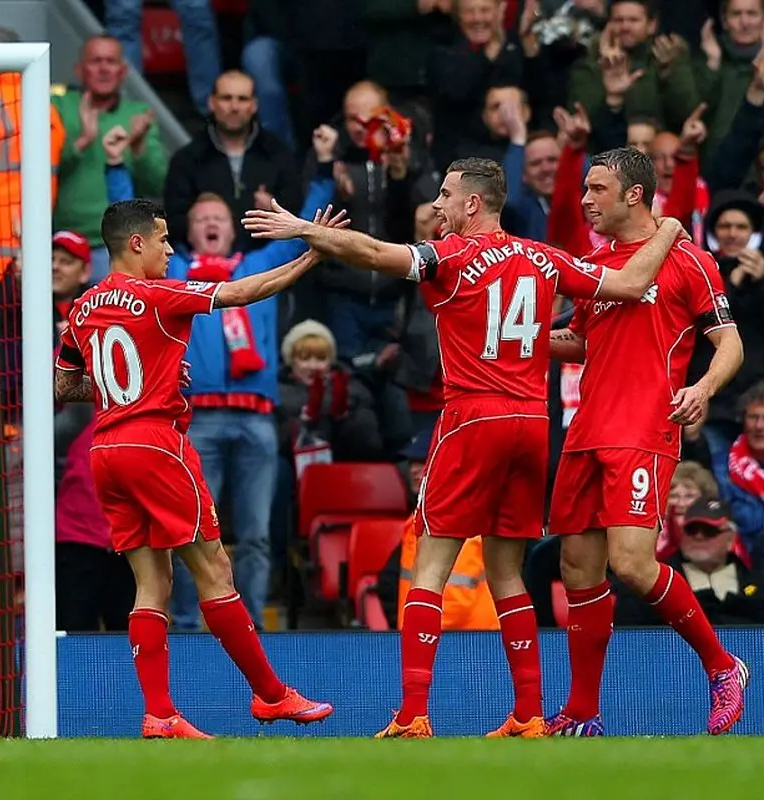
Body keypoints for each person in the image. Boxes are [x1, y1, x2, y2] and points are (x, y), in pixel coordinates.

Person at [242, 157, 684, 739]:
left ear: (473, 203)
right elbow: (630, 284)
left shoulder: (451, 256)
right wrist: (669, 231)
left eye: (446, 196)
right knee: (506, 572)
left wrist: (305, 229)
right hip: (532, 424)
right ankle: (528, 714)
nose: (437, 206)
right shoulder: (543, 257)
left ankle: (413, 714)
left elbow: (373, 253)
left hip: (472, 418)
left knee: (429, 567)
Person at [53, 198, 340, 739]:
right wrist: (312, 255)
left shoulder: (82, 308)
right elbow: (243, 292)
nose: (169, 251)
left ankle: (160, 714)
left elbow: (64, 386)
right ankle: (272, 695)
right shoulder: (158, 294)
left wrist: (140, 381)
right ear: (136, 243)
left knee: (151, 581)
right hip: (156, 445)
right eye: (163, 240)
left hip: (106, 450)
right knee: (215, 570)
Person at [546, 146, 748, 737]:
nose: (586, 200)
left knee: (632, 565)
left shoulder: (689, 261)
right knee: (578, 569)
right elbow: (582, 341)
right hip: (586, 429)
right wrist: (521, 337)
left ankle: (723, 666)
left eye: (597, 189)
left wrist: (703, 388)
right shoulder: (595, 263)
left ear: (635, 194)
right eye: (584, 189)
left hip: (643, 430)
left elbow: (730, 343)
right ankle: (583, 712)